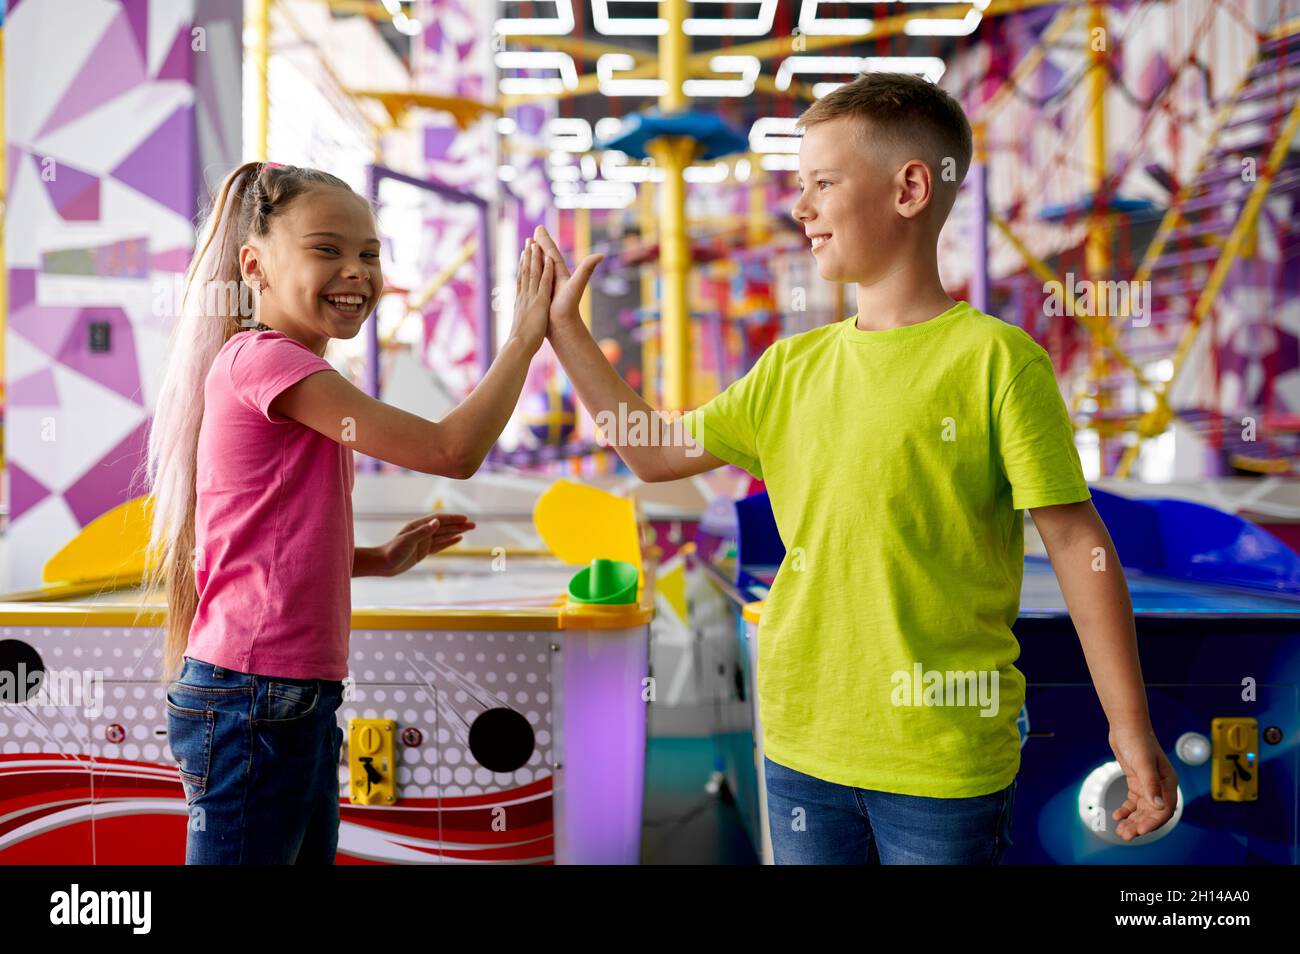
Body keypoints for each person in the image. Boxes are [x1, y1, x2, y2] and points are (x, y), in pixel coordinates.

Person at [533, 71, 1178, 864]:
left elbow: (1079, 545)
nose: (799, 206)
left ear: (910, 188)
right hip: (802, 746)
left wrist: (1129, 725)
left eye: (822, 183)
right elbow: (653, 449)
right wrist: (566, 333)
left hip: (942, 760)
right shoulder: (789, 369)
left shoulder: (998, 364)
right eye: (799, 186)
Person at [144, 161, 554, 863]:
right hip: (256, 697)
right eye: (326, 249)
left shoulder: (282, 369)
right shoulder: (268, 364)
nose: (356, 271)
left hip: (286, 694)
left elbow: (261, 545)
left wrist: (379, 559)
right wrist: (523, 336)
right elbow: (452, 451)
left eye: (369, 253)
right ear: (255, 267)